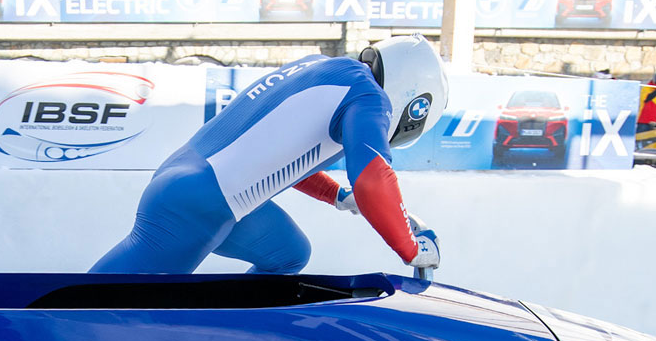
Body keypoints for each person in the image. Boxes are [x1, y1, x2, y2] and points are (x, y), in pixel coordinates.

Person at [92, 35, 447, 276]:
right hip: (200, 204)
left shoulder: (325, 68)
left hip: (200, 191)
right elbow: (373, 178)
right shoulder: (369, 97)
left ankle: (235, 336)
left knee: (287, 253)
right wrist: (410, 248)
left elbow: (279, 149)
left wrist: (338, 196)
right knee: (101, 306)